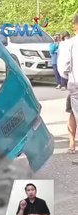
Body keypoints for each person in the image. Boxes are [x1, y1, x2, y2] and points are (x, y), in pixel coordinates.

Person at [58, 14, 78, 160]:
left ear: (75, 26)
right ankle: (71, 143)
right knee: (73, 113)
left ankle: (72, 144)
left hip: (75, 84)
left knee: (74, 113)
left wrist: (68, 78)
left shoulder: (69, 44)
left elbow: (63, 68)